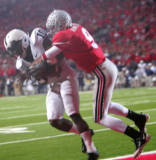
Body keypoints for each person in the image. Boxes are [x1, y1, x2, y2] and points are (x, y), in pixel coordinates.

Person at [35, 9, 151, 158]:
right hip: (105, 68)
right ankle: (137, 118)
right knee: (104, 106)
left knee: (99, 117)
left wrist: (33, 64)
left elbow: (47, 55)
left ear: (61, 24)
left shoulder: (64, 34)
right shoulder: (75, 27)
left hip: (102, 72)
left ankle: (137, 136)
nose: (52, 30)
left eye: (54, 26)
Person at [4, 28, 98, 160]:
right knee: (54, 120)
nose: (15, 53)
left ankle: (91, 149)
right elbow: (41, 80)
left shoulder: (36, 37)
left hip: (64, 76)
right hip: (53, 83)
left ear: (24, 41)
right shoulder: (21, 64)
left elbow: (59, 52)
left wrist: (43, 66)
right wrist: (38, 75)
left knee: (73, 114)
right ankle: (84, 133)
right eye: (12, 51)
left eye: (16, 48)